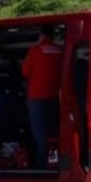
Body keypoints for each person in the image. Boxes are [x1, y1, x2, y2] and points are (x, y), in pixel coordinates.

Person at [21, 25, 63, 168]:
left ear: (41, 35)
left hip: (36, 97)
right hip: (54, 96)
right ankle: (53, 160)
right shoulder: (59, 50)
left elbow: (24, 71)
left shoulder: (35, 50)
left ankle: (41, 163)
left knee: (39, 131)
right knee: (52, 130)